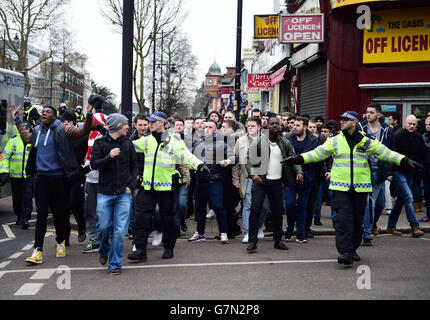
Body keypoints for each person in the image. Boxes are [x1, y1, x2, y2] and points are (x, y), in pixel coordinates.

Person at [282, 111, 419, 265]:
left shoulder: (366, 141)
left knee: (356, 221)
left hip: (361, 189)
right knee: (343, 220)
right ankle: (345, 251)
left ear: (354, 123)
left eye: (345, 120)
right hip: (340, 188)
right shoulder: (334, 140)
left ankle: (352, 249)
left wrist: (405, 161)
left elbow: (385, 153)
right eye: (341, 119)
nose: (341, 122)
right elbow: (317, 154)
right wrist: (297, 159)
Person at [11, 103, 94, 265]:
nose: (44, 114)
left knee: (60, 214)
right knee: (41, 214)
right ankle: (38, 250)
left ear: (55, 116)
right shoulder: (36, 131)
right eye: (43, 112)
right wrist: (17, 120)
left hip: (60, 179)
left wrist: (89, 115)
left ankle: (60, 240)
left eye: (48, 112)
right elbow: (26, 138)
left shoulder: (63, 129)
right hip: (42, 178)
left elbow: (83, 131)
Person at [129, 112, 205, 262]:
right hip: (148, 187)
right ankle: (140, 250)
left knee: (167, 219)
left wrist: (200, 165)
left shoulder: (174, 141)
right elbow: (128, 146)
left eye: (152, 122)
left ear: (163, 123)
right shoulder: (146, 140)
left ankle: (169, 247)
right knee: (141, 218)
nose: (149, 124)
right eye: (148, 121)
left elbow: (186, 156)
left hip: (166, 187)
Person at [246, 116, 303, 253]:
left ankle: (278, 241)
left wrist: (299, 172)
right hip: (261, 182)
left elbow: (294, 159)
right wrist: (253, 175)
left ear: (280, 126)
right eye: (272, 124)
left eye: (277, 123)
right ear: (267, 126)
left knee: (277, 212)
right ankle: (252, 242)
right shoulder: (258, 142)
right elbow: (249, 161)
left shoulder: (285, 143)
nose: (275, 126)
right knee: (255, 210)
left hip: (277, 182)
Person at [90, 113, 137, 275]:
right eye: (125, 124)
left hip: (124, 194)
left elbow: (134, 167)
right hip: (105, 193)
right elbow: (95, 164)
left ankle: (115, 263)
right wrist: (109, 157)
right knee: (103, 227)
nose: (127, 127)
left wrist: (131, 186)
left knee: (119, 231)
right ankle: (104, 250)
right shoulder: (100, 143)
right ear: (117, 125)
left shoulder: (128, 144)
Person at [189, 120, 234, 244]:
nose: (207, 129)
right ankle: (200, 233)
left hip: (215, 180)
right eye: (206, 127)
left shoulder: (222, 144)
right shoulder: (197, 143)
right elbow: (190, 159)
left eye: (210, 127)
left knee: (218, 206)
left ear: (216, 130)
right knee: (199, 208)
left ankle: (223, 233)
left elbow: (233, 156)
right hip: (200, 181)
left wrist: (228, 161)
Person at [360, 104, 395, 246]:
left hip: (381, 173)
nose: (368, 115)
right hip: (366, 172)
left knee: (380, 204)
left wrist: (389, 171)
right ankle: (366, 234)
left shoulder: (387, 130)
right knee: (370, 204)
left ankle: (372, 224)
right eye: (367, 112)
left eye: (371, 112)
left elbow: (391, 151)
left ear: (378, 115)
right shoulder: (361, 128)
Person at [387, 115, 425, 238]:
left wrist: (421, 170)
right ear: (405, 123)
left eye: (414, 124)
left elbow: (422, 155)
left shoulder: (419, 137)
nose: (412, 126)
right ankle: (414, 226)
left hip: (411, 173)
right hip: (398, 172)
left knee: (401, 200)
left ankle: (391, 226)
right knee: (408, 197)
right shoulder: (398, 136)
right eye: (410, 124)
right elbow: (391, 154)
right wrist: (390, 173)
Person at [285, 117, 320, 243]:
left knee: (303, 206)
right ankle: (289, 227)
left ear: (305, 127)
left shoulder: (313, 141)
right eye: (294, 125)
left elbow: (316, 159)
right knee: (289, 204)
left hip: (307, 178)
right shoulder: (288, 139)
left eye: (298, 125)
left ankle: (300, 232)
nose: (295, 127)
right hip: (290, 177)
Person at [232, 117, 266, 243]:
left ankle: (258, 227)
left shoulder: (265, 140)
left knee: (264, 206)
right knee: (247, 205)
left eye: (252, 125)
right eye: (248, 125)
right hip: (246, 178)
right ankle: (247, 232)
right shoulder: (240, 141)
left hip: (263, 179)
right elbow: (235, 162)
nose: (250, 127)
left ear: (259, 127)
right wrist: (235, 179)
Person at [60, 110, 88, 246]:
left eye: (64, 122)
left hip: (76, 175)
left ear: (71, 123)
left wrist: (83, 170)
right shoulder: (60, 136)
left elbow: (87, 156)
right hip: (62, 175)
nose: (62, 125)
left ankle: (81, 226)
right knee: (63, 205)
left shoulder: (81, 137)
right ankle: (65, 236)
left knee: (74, 203)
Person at [81, 112, 107, 254]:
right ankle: (94, 241)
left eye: (91, 120)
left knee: (102, 212)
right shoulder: (90, 135)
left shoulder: (105, 137)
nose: (88, 121)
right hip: (90, 179)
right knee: (89, 210)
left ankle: (104, 240)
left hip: (103, 180)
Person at [0, 121, 33, 229]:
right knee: (17, 198)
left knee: (27, 197)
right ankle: (19, 215)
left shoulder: (33, 141)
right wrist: (4, 171)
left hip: (28, 176)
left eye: (27, 128)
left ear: (29, 129)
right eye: (24, 128)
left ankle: (25, 218)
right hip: (15, 176)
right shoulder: (13, 140)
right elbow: (5, 157)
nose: (26, 130)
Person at [420, 116, 430, 222]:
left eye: (429, 125)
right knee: (427, 193)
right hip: (426, 169)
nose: (427, 126)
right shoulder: (423, 136)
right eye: (426, 124)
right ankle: (428, 215)